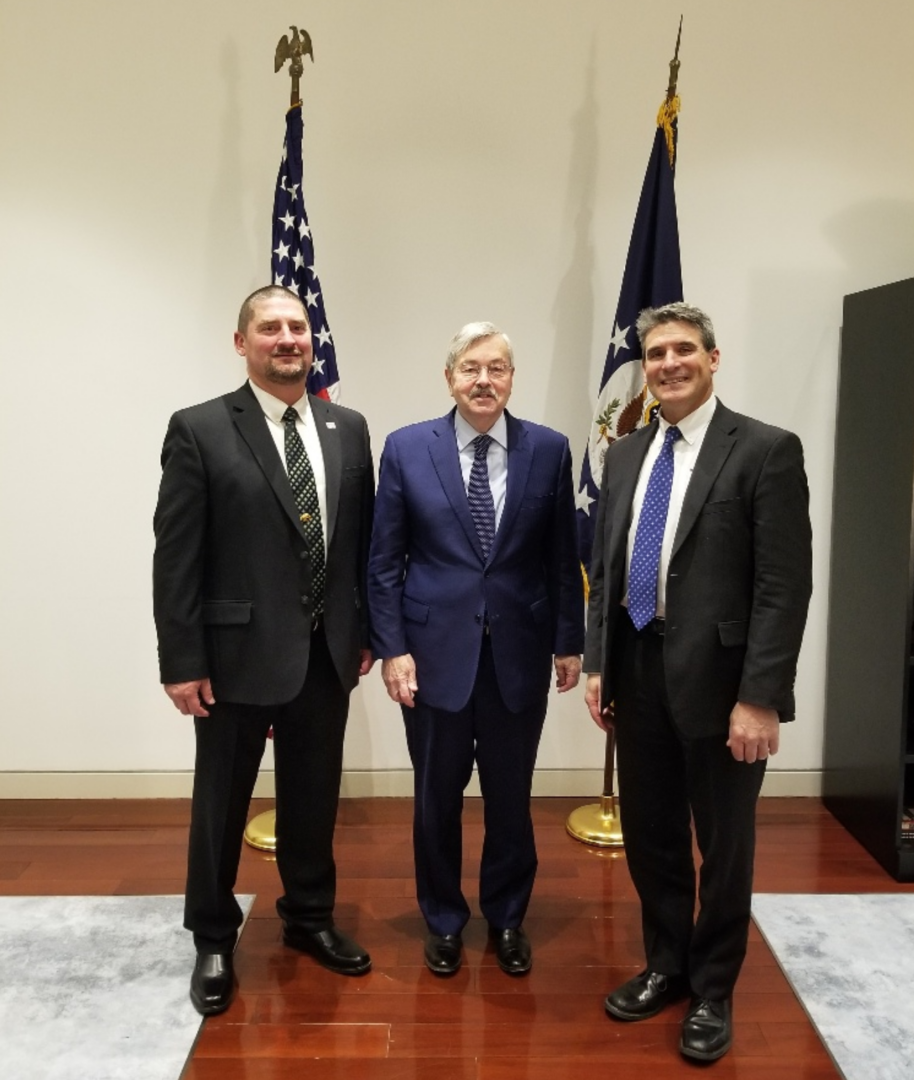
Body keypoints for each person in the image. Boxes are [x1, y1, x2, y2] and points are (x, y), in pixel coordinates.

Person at [583, 302, 812, 1062]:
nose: (668, 363)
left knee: (724, 845)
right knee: (651, 837)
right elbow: (608, 574)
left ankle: (713, 988)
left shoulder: (766, 451)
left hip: (724, 687)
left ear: (714, 359)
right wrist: (596, 664)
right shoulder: (624, 454)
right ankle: (666, 964)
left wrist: (761, 697)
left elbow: (784, 586)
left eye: (684, 350)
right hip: (638, 671)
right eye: (655, 353)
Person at [153, 285, 375, 1016]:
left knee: (313, 797)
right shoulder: (201, 428)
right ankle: (214, 936)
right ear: (241, 342)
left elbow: (360, 546)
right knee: (221, 802)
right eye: (271, 327)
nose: (288, 338)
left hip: (327, 651)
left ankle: (309, 918)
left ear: (313, 341)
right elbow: (177, 557)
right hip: (232, 657)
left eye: (298, 327)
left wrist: (365, 630)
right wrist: (182, 660)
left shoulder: (348, 427)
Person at [368, 321, 584, 977]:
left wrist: (569, 642)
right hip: (432, 657)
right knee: (436, 798)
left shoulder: (549, 449)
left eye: (497, 368)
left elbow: (560, 558)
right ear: (449, 377)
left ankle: (509, 917)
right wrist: (393, 649)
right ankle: (443, 919)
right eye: (471, 367)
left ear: (512, 379)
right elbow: (384, 562)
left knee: (510, 799)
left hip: (517, 653)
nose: (484, 379)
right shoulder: (407, 449)